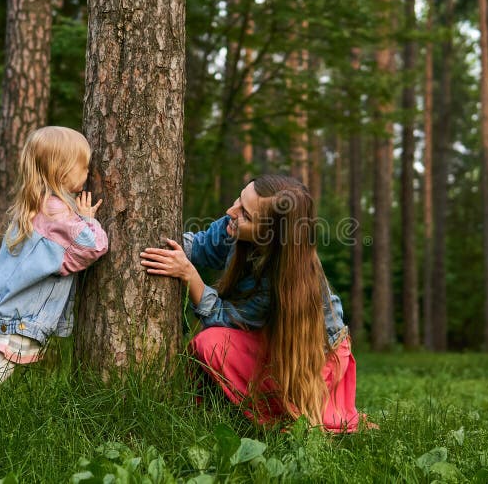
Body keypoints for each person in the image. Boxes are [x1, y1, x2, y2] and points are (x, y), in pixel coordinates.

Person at [140, 175, 364, 432]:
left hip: (312, 358)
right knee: (210, 344)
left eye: (245, 213)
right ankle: (225, 406)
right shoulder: (233, 226)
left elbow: (225, 317)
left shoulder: (281, 276)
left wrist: (190, 276)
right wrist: (158, 243)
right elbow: (200, 246)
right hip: (270, 337)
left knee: (211, 343)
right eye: (239, 198)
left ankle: (291, 410)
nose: (231, 211)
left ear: (269, 235)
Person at [0, 126, 108, 434]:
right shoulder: (59, 212)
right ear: (63, 170)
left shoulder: (36, 204)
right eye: (84, 165)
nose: (88, 172)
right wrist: (87, 219)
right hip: (20, 315)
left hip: (3, 309)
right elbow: (95, 246)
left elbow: (64, 259)